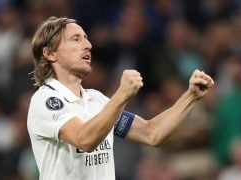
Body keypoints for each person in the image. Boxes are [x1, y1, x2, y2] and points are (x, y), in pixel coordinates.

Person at [27, 16, 215, 180]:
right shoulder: (45, 100)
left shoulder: (98, 101)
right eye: (76, 39)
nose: (88, 45)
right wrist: (122, 95)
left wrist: (190, 97)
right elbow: (84, 140)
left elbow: (152, 133)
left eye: (86, 38)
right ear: (50, 53)